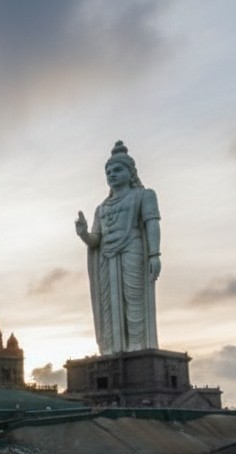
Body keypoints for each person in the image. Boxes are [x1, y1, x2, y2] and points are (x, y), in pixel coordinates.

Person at [75, 141, 161, 354]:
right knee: (109, 306)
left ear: (130, 173)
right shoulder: (102, 207)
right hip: (106, 258)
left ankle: (137, 348)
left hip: (133, 251)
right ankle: (112, 349)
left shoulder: (143, 195)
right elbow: (96, 239)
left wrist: (154, 254)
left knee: (134, 301)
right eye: (108, 172)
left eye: (117, 170)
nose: (112, 175)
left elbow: (152, 223)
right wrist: (84, 234)